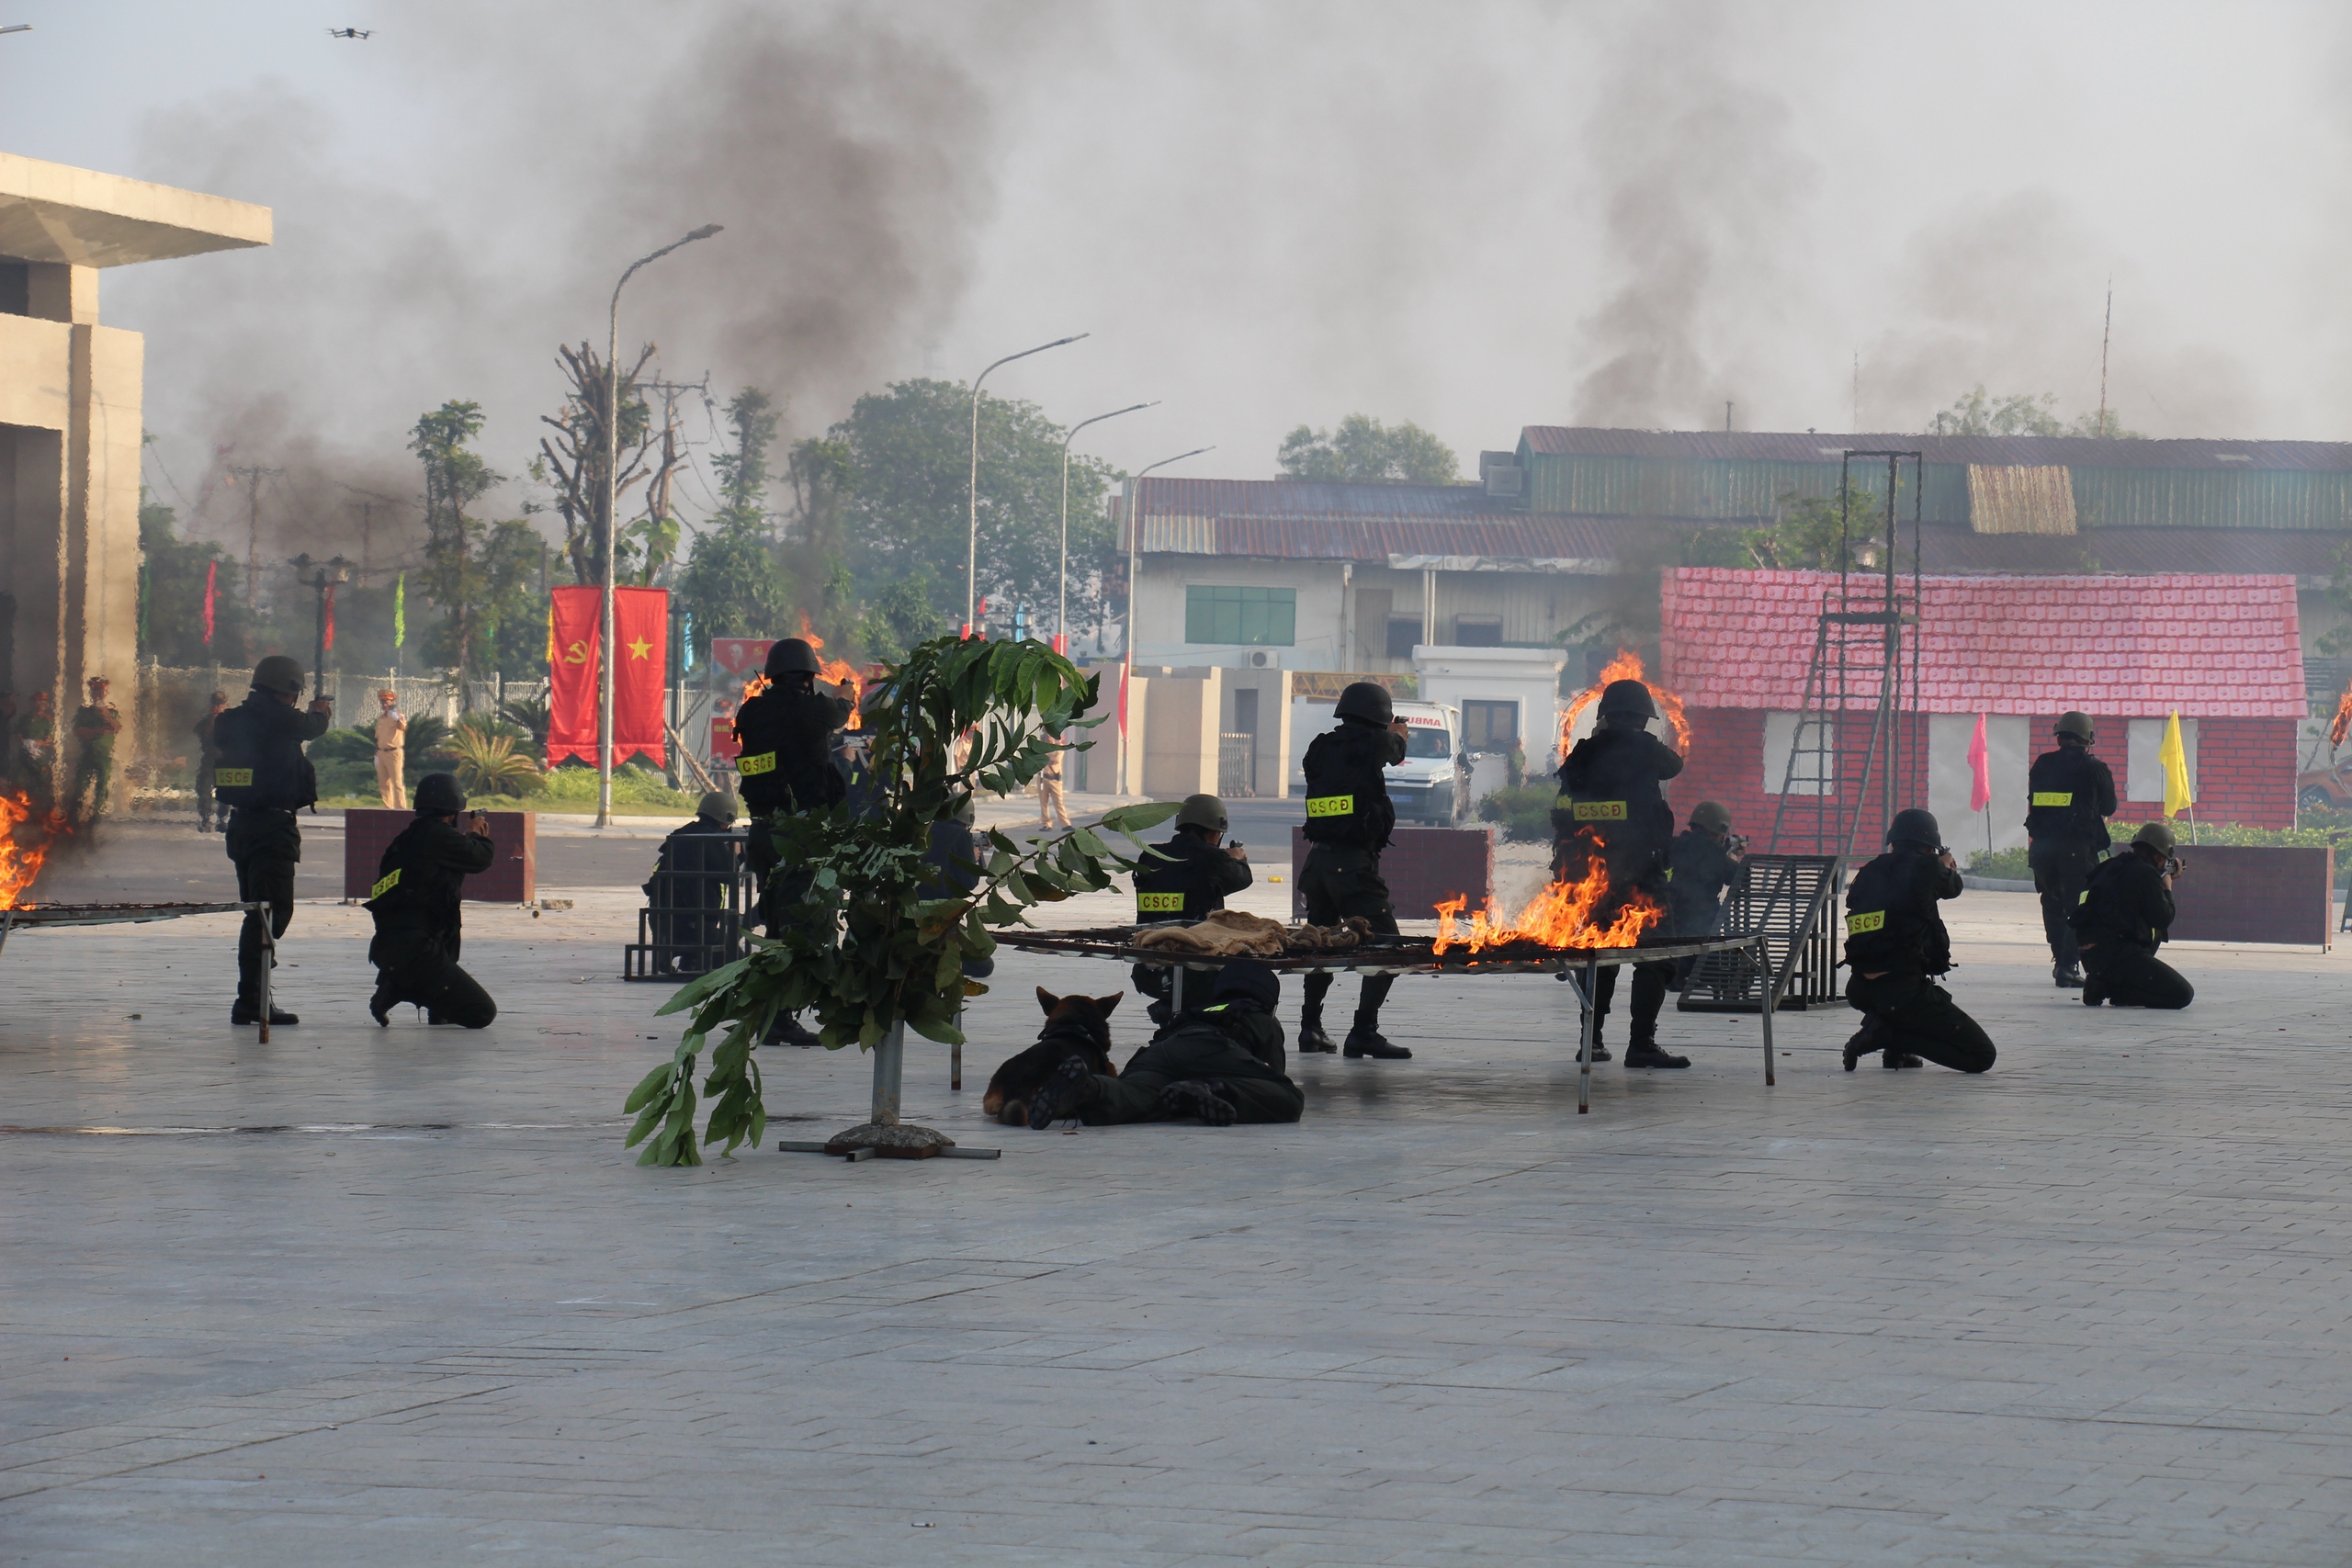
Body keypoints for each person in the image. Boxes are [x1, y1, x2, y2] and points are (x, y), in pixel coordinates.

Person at [1553, 679, 1688, 1068]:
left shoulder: (1584, 753)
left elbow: (1563, 810)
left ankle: (1590, 1041)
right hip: (1642, 873)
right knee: (1657, 954)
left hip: (1594, 876)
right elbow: (1673, 766)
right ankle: (1641, 1042)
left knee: (1601, 957)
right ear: (1644, 719)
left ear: (1605, 717)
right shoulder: (1645, 748)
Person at [731, 637, 853, 1046]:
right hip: (801, 835)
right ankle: (783, 1013)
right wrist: (846, 697)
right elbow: (837, 714)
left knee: (777, 922)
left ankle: (772, 1013)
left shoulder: (752, 711)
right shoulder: (812, 710)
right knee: (805, 926)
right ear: (806, 678)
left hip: (763, 833)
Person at [1024, 958, 1304, 1128]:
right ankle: (1213, 1089)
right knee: (1290, 1099)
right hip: (1214, 1048)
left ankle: (1088, 1088)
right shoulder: (1258, 1017)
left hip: (1160, 1052)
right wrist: (1225, 1083)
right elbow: (1274, 1077)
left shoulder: (1202, 1008)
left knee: (1136, 1097)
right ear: (1269, 1000)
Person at [213, 655, 333, 1026]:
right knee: (270, 914)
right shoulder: (279, 717)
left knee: (258, 912)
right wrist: (322, 711)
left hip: (242, 827)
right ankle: (251, 995)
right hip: (272, 829)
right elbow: (312, 727)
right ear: (290, 691)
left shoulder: (231, 720)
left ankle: (254, 988)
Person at [1297, 681, 1411, 1059]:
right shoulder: (1374, 743)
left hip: (1318, 865)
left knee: (1321, 944)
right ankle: (1364, 1031)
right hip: (1352, 867)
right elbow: (1393, 752)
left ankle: (1310, 1028)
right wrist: (1398, 734)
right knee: (1388, 946)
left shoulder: (1321, 747)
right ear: (1379, 717)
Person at [1841, 807, 1996, 1074]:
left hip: (1861, 988)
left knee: (1904, 942)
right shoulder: (1927, 867)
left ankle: (1896, 1050)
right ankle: (1888, 1036)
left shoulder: (1870, 870)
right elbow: (1954, 887)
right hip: (1902, 991)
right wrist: (1942, 863)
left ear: (1894, 841)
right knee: (1982, 1056)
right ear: (1929, 847)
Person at [364, 773, 499, 1028]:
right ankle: (400, 987)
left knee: (444, 928)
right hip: (417, 950)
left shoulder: (406, 839)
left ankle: (405, 988)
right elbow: (480, 858)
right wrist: (476, 834)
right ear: (453, 810)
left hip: (390, 945)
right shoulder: (438, 837)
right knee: (481, 1013)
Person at [1130, 792, 1253, 1026]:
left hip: (1149, 969)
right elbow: (1242, 879)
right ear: (1214, 832)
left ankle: (1171, 1011)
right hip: (1197, 971)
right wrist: (1236, 859)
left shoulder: (1151, 856)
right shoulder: (1211, 858)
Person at [2025, 711, 2118, 989]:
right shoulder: (2094, 768)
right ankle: (2068, 966)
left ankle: (2060, 962)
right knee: (2080, 908)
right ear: (2088, 738)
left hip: (2041, 848)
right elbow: (2109, 808)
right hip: (2077, 849)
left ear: (2061, 735)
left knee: (2052, 902)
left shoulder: (2041, 764)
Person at [2074, 820, 2194, 1010]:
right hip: (2117, 955)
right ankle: (2110, 989)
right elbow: (2163, 918)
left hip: (2091, 955)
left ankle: (2102, 981)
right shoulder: (2146, 875)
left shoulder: (2111, 867)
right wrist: (2167, 885)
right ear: (2158, 856)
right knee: (2182, 995)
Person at [644, 791, 742, 975]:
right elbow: (729, 875)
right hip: (694, 924)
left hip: (663, 921)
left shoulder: (682, 834)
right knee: (741, 963)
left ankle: (689, 959)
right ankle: (693, 956)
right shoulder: (712, 839)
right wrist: (734, 854)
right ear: (724, 820)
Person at [1665, 800, 1745, 988]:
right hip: (1701, 915)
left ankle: (1678, 975)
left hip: (1670, 911)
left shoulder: (1677, 844)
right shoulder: (1715, 852)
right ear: (1718, 830)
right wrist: (1733, 856)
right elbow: (1739, 877)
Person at [68, 675, 122, 827]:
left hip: (104, 755)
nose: (98, 693)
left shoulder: (111, 711)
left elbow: (116, 728)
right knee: (80, 786)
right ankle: (73, 817)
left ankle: (96, 818)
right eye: (95, 690)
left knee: (101, 788)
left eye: (101, 690)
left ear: (106, 693)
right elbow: (78, 731)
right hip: (87, 754)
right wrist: (99, 730)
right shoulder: (84, 712)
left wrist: (106, 716)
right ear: (91, 692)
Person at [13, 691, 54, 814]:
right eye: (39, 700)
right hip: (25, 757)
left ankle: (40, 813)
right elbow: (18, 734)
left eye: (44, 701)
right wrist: (27, 743)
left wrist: (42, 742)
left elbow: (50, 737)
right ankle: (21, 812)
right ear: (33, 702)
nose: (42, 703)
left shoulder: (47, 720)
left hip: (40, 758)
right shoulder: (25, 718)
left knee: (41, 784)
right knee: (21, 783)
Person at [192, 692, 227, 833]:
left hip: (225, 760)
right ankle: (205, 817)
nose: (217, 707)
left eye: (220, 704)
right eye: (215, 704)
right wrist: (212, 718)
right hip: (209, 759)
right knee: (204, 789)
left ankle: (222, 819)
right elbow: (202, 734)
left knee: (225, 791)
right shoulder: (205, 722)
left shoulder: (230, 721)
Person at [372, 689, 409, 809]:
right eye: (382, 701)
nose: (384, 704)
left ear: (392, 701)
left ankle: (401, 809)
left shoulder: (397, 715)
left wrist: (396, 719)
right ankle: (388, 809)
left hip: (394, 752)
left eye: (386, 701)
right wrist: (377, 753)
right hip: (381, 752)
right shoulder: (381, 718)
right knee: (383, 784)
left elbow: (403, 727)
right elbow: (378, 737)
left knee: (397, 783)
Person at [1036, 729, 1072, 829]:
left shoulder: (1058, 748)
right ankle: (1046, 823)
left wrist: (1045, 754)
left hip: (1055, 779)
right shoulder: (1041, 747)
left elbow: (1055, 760)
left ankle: (1065, 824)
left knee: (1059, 802)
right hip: (1043, 778)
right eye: (1047, 735)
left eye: (1051, 736)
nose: (1049, 738)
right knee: (1043, 802)